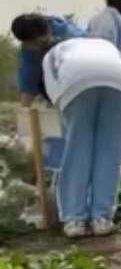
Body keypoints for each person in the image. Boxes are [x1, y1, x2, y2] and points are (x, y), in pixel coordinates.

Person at [10, 30, 121, 238]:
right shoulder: (101, 44)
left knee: (77, 149)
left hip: (77, 85)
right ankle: (102, 218)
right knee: (108, 151)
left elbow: (54, 92)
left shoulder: (51, 55)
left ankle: (74, 219)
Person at [12, 13, 86, 170]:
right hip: (59, 94)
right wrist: (22, 126)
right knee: (56, 131)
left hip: (84, 86)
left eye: (36, 43)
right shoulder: (31, 50)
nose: (32, 47)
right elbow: (28, 83)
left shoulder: (73, 37)